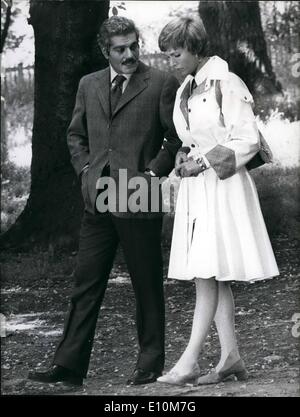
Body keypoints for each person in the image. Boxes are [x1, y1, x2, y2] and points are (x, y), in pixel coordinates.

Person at [28, 16, 181, 387]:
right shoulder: (88, 84)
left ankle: (150, 363)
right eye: (120, 49)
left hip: (139, 192)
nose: (129, 55)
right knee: (86, 282)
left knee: (145, 282)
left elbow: (176, 135)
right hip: (98, 195)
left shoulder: (161, 82)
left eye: (133, 47)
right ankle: (68, 367)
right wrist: (84, 172)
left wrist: (153, 172)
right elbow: (75, 134)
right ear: (104, 51)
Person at [156, 15, 279, 386]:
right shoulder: (185, 89)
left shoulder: (227, 82)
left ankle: (189, 360)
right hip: (198, 192)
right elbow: (191, 139)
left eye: (176, 53)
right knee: (210, 271)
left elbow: (247, 140)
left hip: (223, 189)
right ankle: (230, 358)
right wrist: (183, 159)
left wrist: (205, 161)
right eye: (167, 55)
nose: (171, 61)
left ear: (194, 49)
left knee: (207, 272)